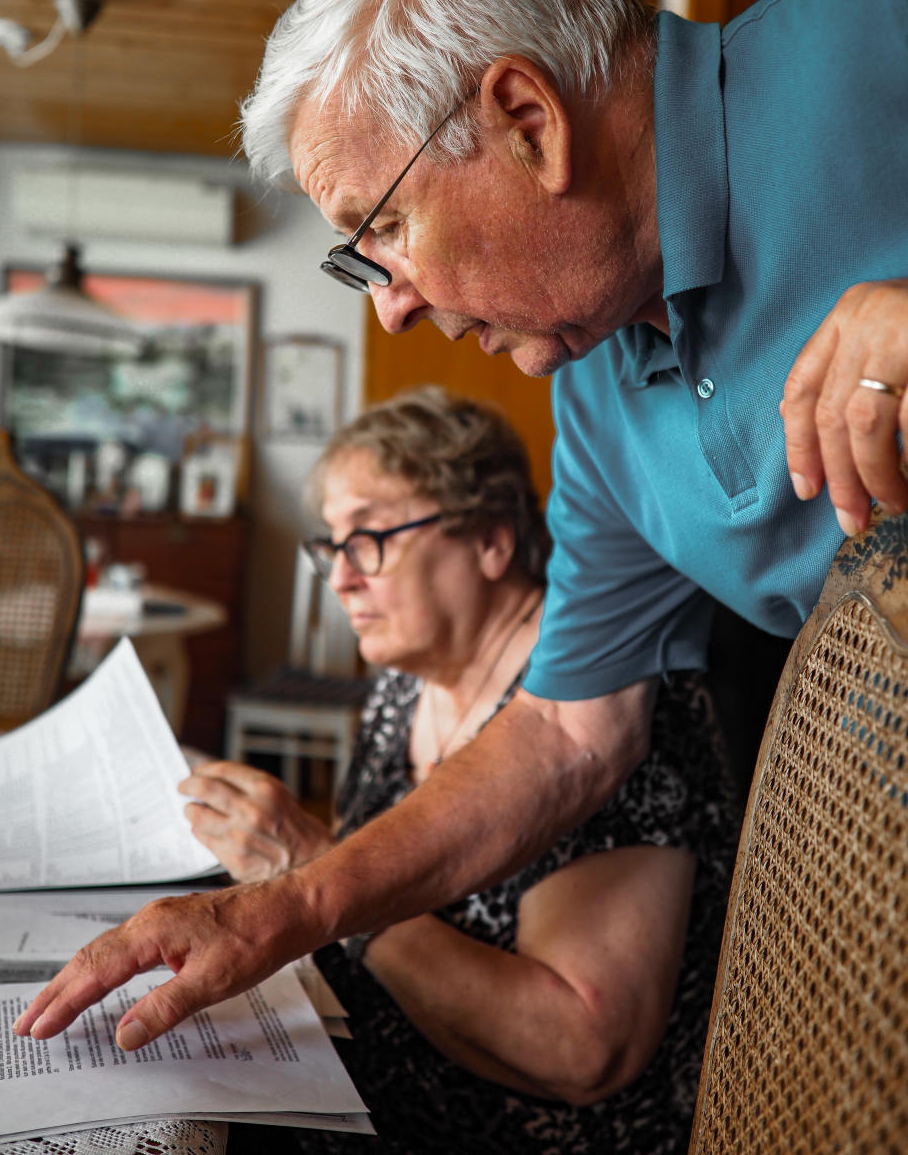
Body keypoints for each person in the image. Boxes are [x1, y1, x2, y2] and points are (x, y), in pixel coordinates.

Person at [15, 0, 908, 1053]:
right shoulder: (590, 393)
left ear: (528, 119)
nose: (388, 308)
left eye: (379, 230)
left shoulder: (879, 20)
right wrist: (287, 905)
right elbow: (566, 735)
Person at [178, 387, 736, 1155]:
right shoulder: (403, 689)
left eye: (370, 536)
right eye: (332, 545)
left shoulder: (611, 696)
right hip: (358, 1088)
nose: (341, 577)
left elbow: (582, 1050)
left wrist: (314, 869)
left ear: (492, 541)